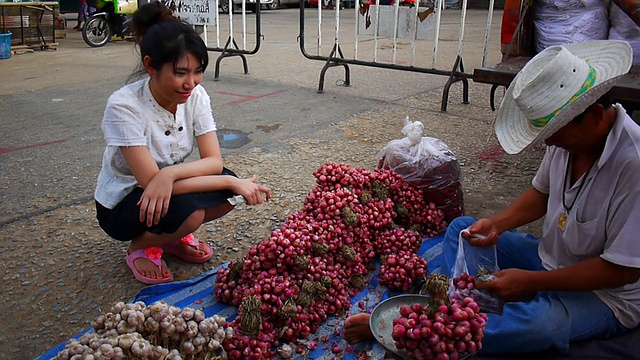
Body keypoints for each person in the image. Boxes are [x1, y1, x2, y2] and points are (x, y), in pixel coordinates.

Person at [343, 40, 640, 355]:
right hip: (550, 257)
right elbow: (541, 193)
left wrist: (530, 283)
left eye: (556, 134)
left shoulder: (632, 165)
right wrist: (497, 224)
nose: (549, 143)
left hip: (605, 296)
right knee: (462, 229)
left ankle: (411, 329)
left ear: (594, 114)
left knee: (540, 325)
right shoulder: (569, 141)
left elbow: (621, 270)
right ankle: (455, 310)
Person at [94, 1, 270, 285]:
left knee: (228, 191)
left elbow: (214, 162)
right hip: (125, 202)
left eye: (197, 71)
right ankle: (140, 246)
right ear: (151, 66)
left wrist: (171, 172)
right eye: (180, 73)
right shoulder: (124, 105)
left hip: (164, 186)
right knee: (195, 210)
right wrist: (227, 183)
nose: (191, 82)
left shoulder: (196, 96)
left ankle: (170, 238)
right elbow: (151, 183)